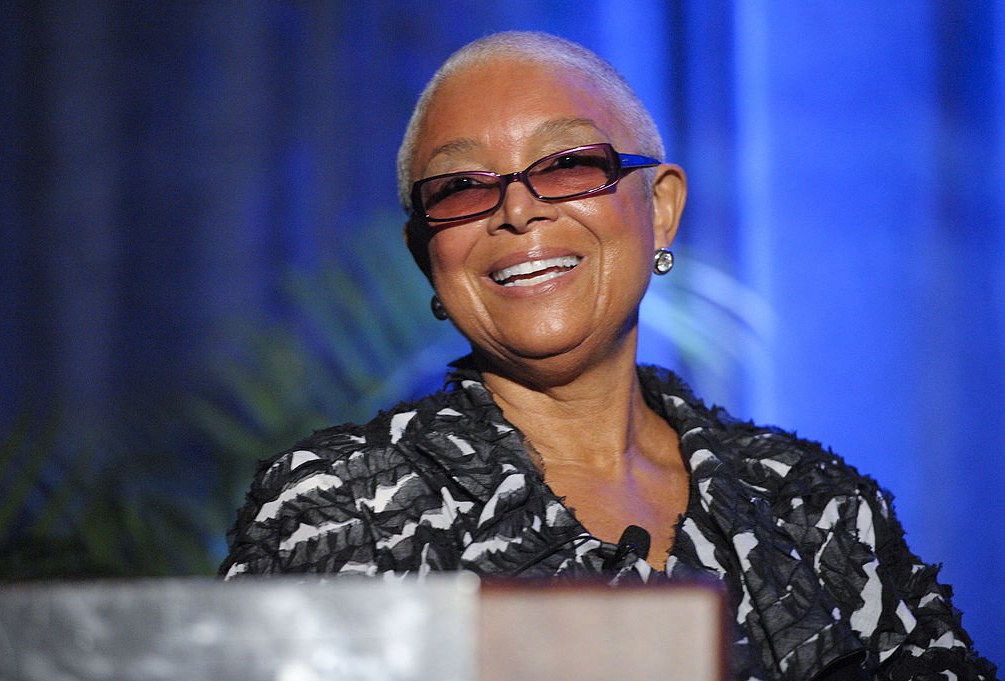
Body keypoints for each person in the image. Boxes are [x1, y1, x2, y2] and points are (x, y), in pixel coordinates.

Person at [220, 31, 996, 681]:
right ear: (428, 255)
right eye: (461, 187)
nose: (517, 210)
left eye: (566, 165)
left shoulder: (820, 511)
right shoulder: (343, 509)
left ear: (659, 209)